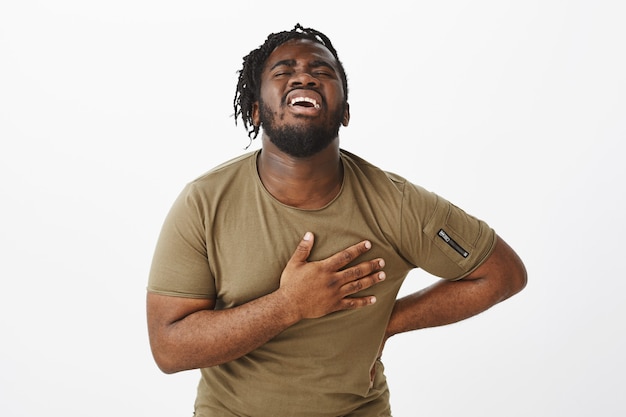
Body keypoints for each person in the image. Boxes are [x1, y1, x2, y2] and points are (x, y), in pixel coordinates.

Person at [146, 24, 527, 417]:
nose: (305, 75)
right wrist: (288, 305)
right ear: (256, 109)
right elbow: (169, 348)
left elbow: (503, 274)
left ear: (344, 112)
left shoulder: (397, 205)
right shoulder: (204, 202)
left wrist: (388, 321)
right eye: (283, 71)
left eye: (322, 71)